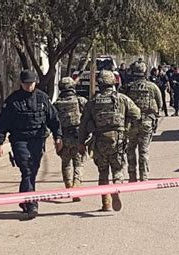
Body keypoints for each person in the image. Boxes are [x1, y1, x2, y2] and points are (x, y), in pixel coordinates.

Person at [0, 69, 63, 219]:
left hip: (37, 140)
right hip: (20, 140)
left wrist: (58, 137)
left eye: (31, 83)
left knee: (32, 171)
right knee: (26, 169)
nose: (29, 86)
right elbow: (2, 123)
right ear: (21, 83)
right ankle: (32, 203)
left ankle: (24, 199)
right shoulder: (13, 100)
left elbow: (53, 119)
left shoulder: (42, 98)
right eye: (26, 84)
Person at [78, 70, 141, 211]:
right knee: (117, 170)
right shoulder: (122, 99)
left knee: (103, 172)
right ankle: (116, 189)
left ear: (99, 84)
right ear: (113, 83)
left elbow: (83, 125)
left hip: (99, 141)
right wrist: (128, 127)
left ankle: (105, 203)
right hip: (118, 141)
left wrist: (81, 143)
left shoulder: (92, 102)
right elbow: (136, 113)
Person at [123, 61, 162, 182]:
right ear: (145, 72)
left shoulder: (128, 87)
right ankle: (144, 176)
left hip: (131, 123)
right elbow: (159, 102)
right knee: (143, 150)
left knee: (130, 149)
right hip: (147, 122)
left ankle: (132, 176)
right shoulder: (152, 86)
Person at [53, 77, 87, 201]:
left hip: (63, 137)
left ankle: (68, 187)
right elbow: (88, 116)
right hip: (78, 137)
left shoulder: (56, 104)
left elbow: (53, 121)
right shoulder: (80, 101)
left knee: (66, 163)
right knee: (78, 163)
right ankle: (76, 185)